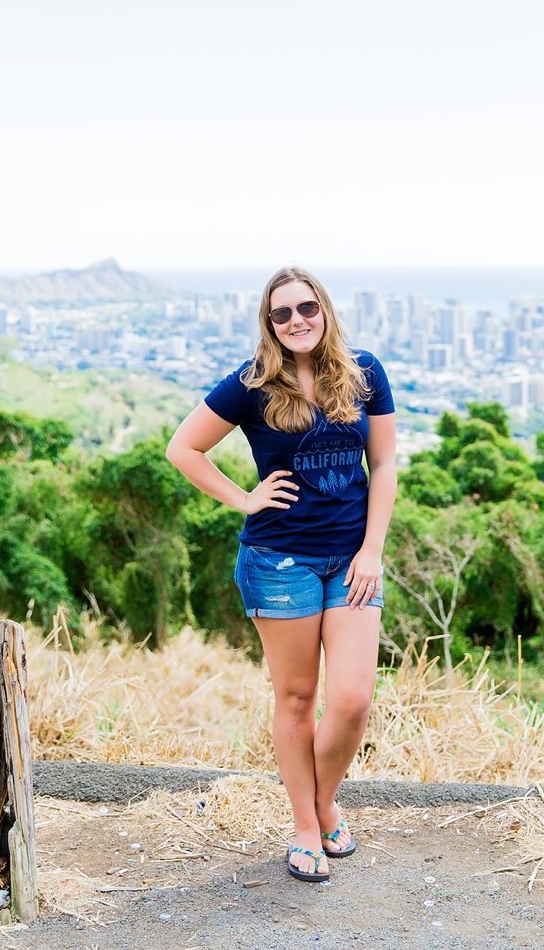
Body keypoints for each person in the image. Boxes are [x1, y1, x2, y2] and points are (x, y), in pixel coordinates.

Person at [166, 266, 396, 883]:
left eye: (306, 308)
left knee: (351, 701)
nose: (296, 321)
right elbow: (183, 448)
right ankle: (305, 826)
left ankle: (324, 803)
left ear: (325, 310)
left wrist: (372, 549)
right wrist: (244, 498)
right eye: (282, 313)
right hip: (279, 563)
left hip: (352, 563)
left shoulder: (365, 371)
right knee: (296, 699)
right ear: (269, 323)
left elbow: (385, 465)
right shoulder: (252, 383)